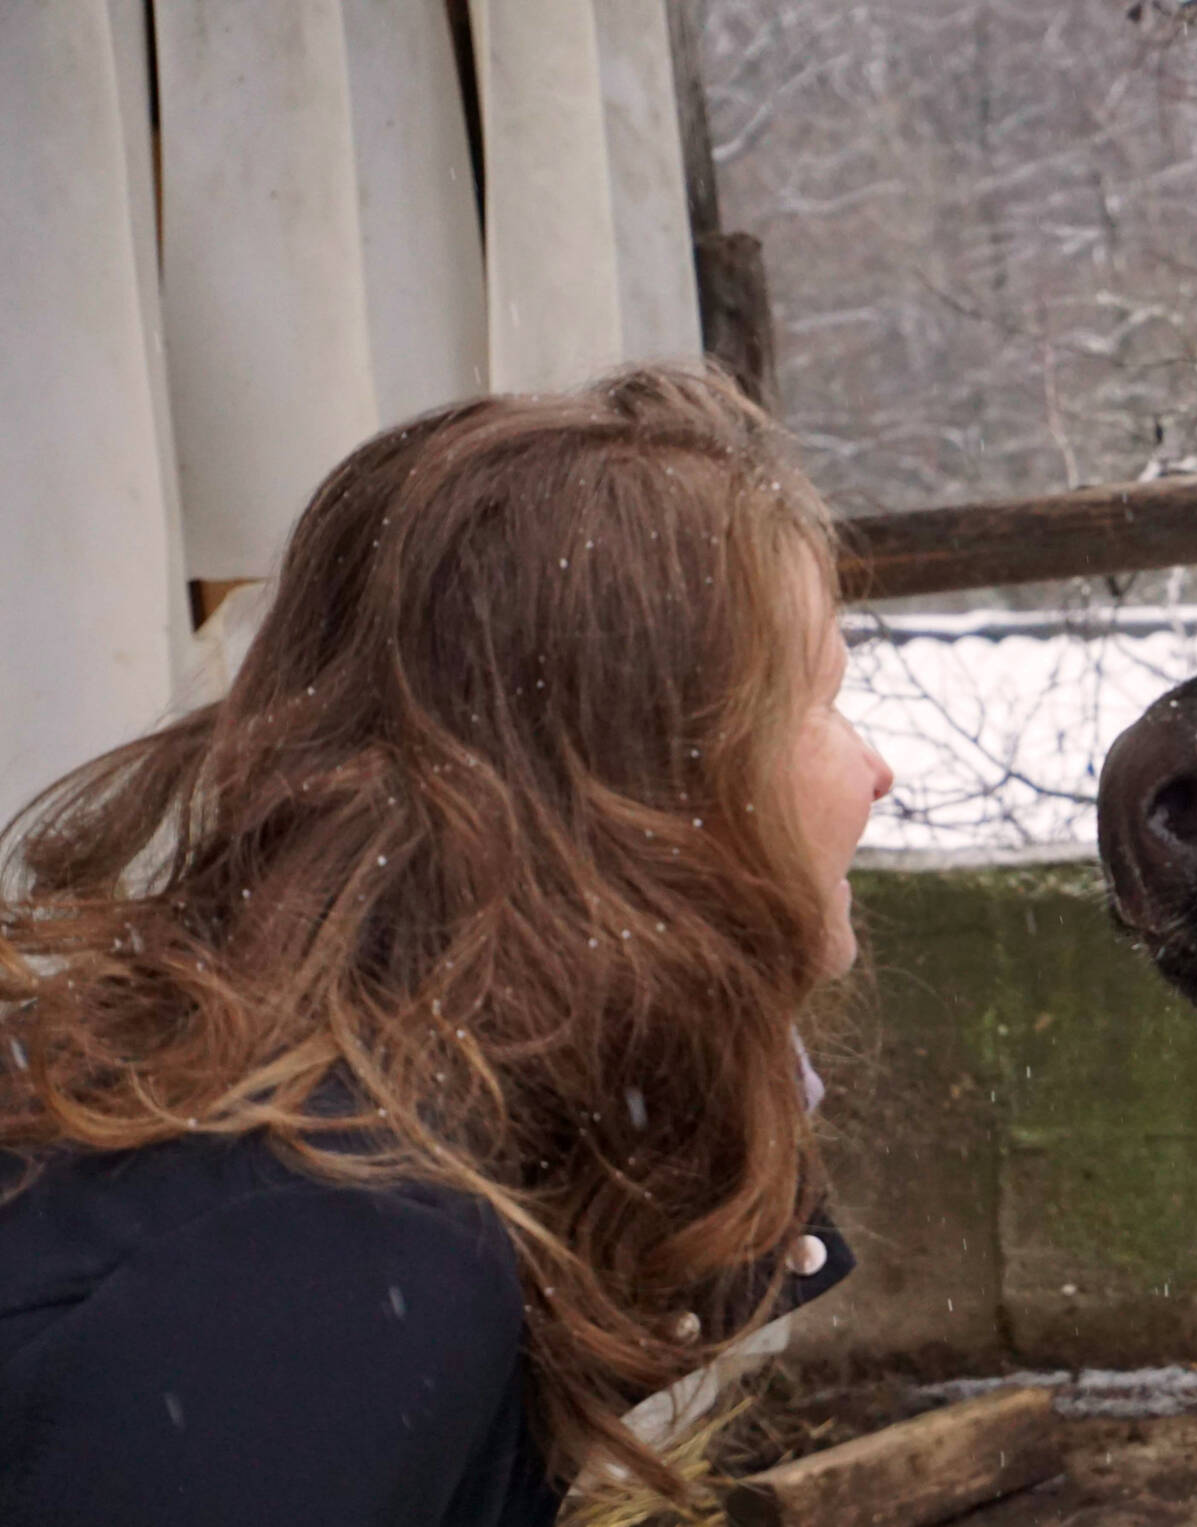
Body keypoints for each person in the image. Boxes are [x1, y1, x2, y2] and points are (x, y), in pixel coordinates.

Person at [0, 367, 894, 1525]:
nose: (876, 770)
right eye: (819, 697)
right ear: (638, 790)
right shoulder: (328, 1249)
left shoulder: (361, 1157)